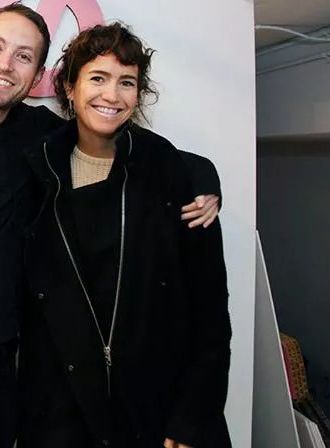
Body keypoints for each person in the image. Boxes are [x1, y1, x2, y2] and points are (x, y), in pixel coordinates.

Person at [0, 4, 220, 448]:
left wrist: (205, 180)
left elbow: (131, 140)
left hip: (2, 374)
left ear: (37, 77)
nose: (5, 64)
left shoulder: (41, 136)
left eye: (23, 56)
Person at [17, 23, 231, 448]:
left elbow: (210, 315)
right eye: (98, 78)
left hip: (153, 411)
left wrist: (191, 420)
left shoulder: (175, 178)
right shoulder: (37, 171)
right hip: (63, 414)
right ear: (70, 88)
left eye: (126, 82)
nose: (112, 95)